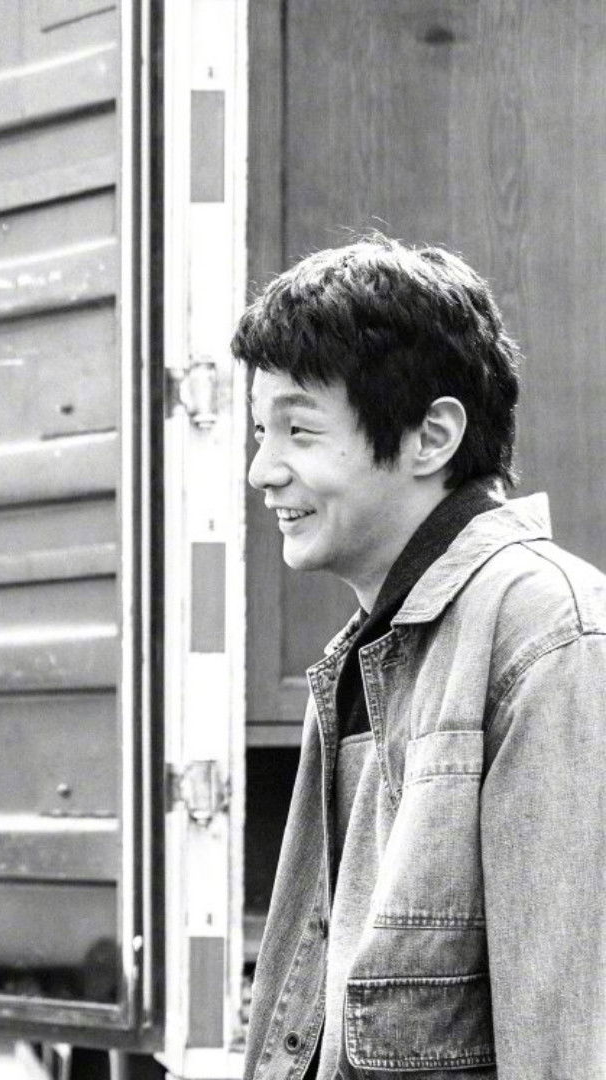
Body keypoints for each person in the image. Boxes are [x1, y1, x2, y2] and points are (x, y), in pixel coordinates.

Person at [238, 236, 605, 1078]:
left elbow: (565, 1045)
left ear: (430, 435)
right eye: (259, 431)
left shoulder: (548, 634)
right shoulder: (364, 649)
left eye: (297, 430)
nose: (261, 470)